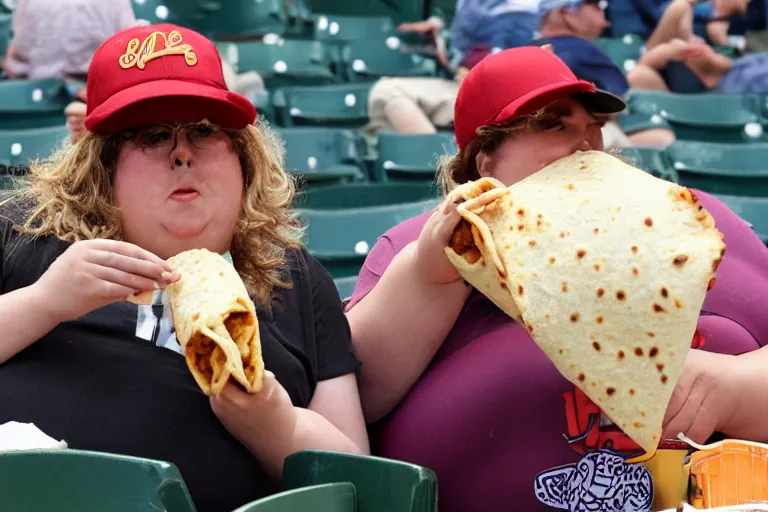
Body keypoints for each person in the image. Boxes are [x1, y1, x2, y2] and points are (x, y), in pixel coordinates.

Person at [346, 46, 768, 511]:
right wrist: (431, 274)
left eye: (593, 127)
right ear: (485, 162)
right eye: (555, 124)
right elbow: (356, 399)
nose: (585, 143)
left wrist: (733, 384)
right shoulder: (425, 247)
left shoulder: (694, 222)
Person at [0, 23, 368, 512]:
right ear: (104, 169)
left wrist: (274, 425)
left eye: (203, 131)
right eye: (152, 136)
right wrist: (42, 303)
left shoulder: (294, 276)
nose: (181, 152)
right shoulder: (24, 233)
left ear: (243, 158)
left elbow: (361, 485)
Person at [536, 0, 678, 147]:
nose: (604, 17)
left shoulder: (525, 48)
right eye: (595, 5)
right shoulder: (579, 50)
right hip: (576, 136)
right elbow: (620, 102)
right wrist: (648, 63)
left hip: (537, 139)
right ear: (568, 13)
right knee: (660, 139)